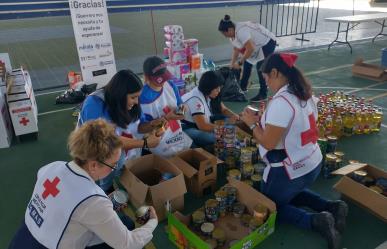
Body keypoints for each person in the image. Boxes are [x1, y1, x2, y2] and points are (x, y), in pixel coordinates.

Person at [240, 53, 348, 249]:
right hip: (311, 162)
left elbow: (269, 142)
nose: (266, 84)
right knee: (289, 191)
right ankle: (332, 206)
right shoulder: (304, 93)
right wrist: (265, 119)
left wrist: (250, 124)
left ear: (274, 73)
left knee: (270, 207)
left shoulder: (281, 102)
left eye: (265, 79)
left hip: (289, 169)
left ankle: (316, 221)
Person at [9, 119, 158, 249]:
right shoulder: (93, 201)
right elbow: (128, 244)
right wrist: (152, 222)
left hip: (21, 240)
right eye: (113, 164)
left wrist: (103, 203)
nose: (115, 168)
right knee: (127, 228)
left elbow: (65, 201)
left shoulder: (51, 167)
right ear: (93, 165)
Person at [78, 69, 161, 192]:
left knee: (122, 156)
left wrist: (152, 125)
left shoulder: (128, 103)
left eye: (138, 97)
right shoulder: (94, 104)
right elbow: (108, 140)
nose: (137, 102)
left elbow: (138, 126)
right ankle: (105, 188)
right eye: (133, 97)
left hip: (114, 141)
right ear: (120, 94)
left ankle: (118, 177)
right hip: (91, 144)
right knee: (117, 155)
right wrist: (145, 143)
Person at [140, 56, 192, 157]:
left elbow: (181, 104)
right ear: (146, 77)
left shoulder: (170, 85)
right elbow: (141, 129)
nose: (163, 82)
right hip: (157, 145)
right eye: (159, 80)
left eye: (165, 77)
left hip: (176, 136)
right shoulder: (141, 98)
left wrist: (182, 109)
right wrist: (167, 118)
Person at [218, 14, 276, 102]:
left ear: (229, 29)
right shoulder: (232, 35)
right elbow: (236, 49)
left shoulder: (241, 31)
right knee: (247, 64)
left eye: (224, 33)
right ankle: (243, 87)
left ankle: (263, 93)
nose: (225, 36)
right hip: (256, 46)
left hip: (267, 42)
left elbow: (250, 48)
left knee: (261, 67)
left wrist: (240, 62)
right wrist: (232, 63)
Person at [181, 70, 239, 148]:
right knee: (217, 138)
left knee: (227, 121)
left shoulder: (208, 93)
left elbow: (224, 110)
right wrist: (226, 126)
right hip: (186, 128)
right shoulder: (195, 99)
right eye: (216, 88)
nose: (219, 90)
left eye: (220, 87)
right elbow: (203, 126)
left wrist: (234, 116)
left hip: (203, 122)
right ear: (209, 87)